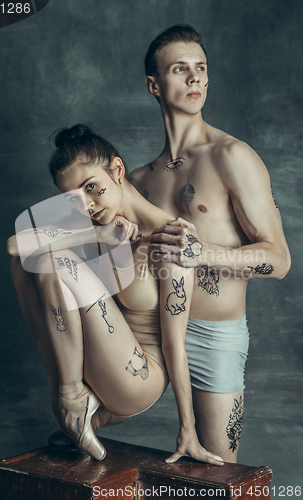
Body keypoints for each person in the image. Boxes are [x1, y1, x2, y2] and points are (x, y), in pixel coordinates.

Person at [7, 124, 224, 465]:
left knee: (53, 258)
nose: (88, 204)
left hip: (141, 378)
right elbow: (14, 246)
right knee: (25, 265)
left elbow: (174, 346)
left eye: (92, 187)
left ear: (118, 170)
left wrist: (188, 431)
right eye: (74, 199)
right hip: (104, 362)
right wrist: (100, 235)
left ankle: (73, 400)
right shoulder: (101, 222)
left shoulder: (172, 240)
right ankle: (67, 397)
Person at [129, 24, 291, 463]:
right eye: (180, 70)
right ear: (154, 85)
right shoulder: (139, 180)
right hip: (144, 328)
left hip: (212, 338)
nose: (195, 79)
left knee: (218, 475)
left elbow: (279, 260)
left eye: (200, 69)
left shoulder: (232, 156)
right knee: (82, 440)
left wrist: (204, 254)